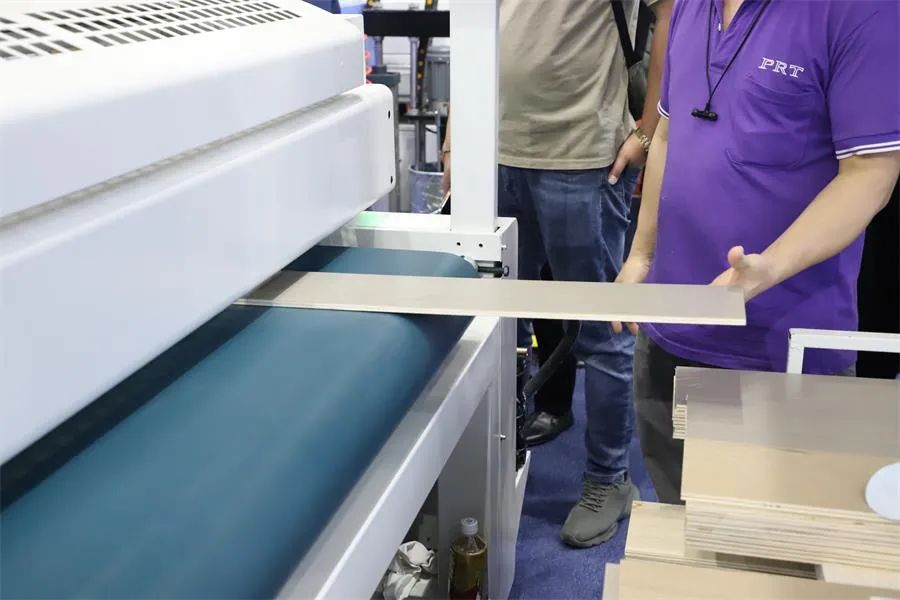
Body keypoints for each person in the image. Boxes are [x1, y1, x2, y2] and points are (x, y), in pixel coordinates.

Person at [615, 0, 900, 504]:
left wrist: (770, 268)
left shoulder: (860, 11)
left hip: (786, 351)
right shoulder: (690, 8)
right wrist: (641, 255)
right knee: (682, 516)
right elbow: (670, 134)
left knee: (779, 537)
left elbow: (871, 173)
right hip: (672, 328)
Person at [443, 0, 674, 547]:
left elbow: (669, 15)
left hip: (583, 157)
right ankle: (502, 454)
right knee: (496, 325)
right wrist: (457, 133)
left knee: (603, 331)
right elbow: (476, 27)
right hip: (495, 153)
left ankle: (608, 480)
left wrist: (648, 131)